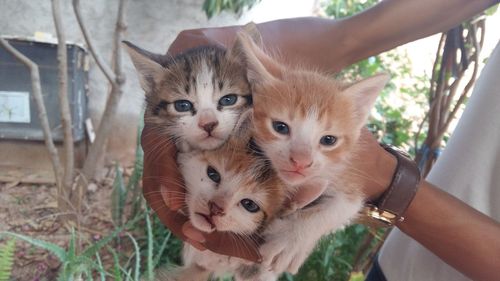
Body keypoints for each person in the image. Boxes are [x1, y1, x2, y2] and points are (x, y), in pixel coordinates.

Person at [141, 0, 500, 280]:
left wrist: (386, 182)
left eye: (327, 139)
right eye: (281, 130)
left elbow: (347, 193)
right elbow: (353, 36)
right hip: (398, 263)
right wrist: (221, 51)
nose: (301, 160)